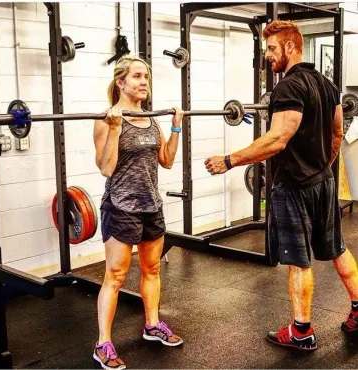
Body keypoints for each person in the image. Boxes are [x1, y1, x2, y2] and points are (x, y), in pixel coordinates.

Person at [205, 20, 358, 351]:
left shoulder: (288, 87)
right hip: (324, 181)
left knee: (299, 260)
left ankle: (301, 331)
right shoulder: (327, 84)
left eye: (272, 49)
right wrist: (323, 167)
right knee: (338, 249)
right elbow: (336, 132)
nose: (268, 57)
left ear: (291, 47)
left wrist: (229, 160)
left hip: (294, 187)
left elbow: (277, 139)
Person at [93, 55, 184, 370]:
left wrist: (175, 127)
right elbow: (106, 168)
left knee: (152, 270)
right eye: (136, 77)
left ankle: (152, 324)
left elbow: (167, 161)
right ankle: (103, 343)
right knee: (116, 276)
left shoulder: (153, 118)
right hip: (120, 207)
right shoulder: (106, 119)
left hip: (151, 206)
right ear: (121, 82)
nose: (144, 82)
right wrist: (116, 129)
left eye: (146, 76)